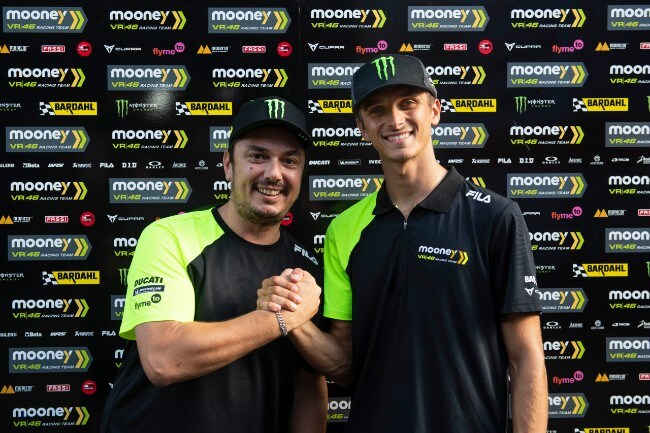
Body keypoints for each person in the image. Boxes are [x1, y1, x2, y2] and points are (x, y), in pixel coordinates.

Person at [258, 55, 548, 432]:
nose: (395, 120)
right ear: (362, 127)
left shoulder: (495, 217)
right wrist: (292, 318)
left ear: (435, 111)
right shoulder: (343, 229)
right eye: (377, 110)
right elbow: (344, 364)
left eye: (408, 103)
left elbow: (526, 357)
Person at [101, 96, 326, 433]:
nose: (274, 173)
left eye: (289, 161)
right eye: (257, 156)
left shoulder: (306, 266)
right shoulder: (170, 236)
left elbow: (308, 386)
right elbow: (163, 359)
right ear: (228, 164)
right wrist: (282, 318)